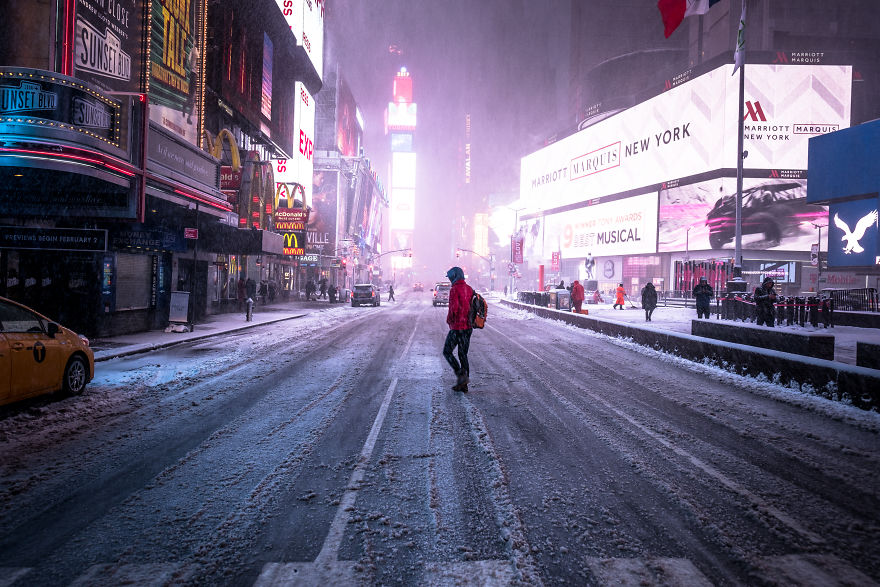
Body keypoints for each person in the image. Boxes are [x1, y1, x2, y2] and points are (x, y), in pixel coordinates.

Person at [443, 266, 474, 392]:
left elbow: (454, 308)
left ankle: (461, 375)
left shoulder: (455, 289)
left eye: (450, 277)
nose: (450, 279)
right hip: (468, 327)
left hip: (457, 327)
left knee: (447, 351)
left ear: (454, 276)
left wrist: (449, 320)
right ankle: (464, 384)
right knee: (463, 354)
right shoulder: (469, 289)